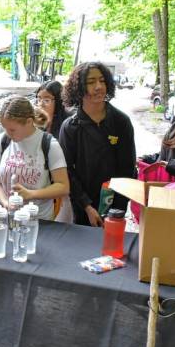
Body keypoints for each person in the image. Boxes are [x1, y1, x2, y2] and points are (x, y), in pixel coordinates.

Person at [59, 61, 136, 227]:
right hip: (82, 207)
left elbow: (128, 169)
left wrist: (116, 209)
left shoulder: (121, 122)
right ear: (78, 88)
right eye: (91, 82)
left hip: (115, 208)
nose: (98, 86)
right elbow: (67, 172)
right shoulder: (70, 127)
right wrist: (86, 206)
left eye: (102, 80)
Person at [0, 96, 70, 221]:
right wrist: (5, 202)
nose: (8, 134)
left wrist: (31, 194)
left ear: (29, 122)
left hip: (38, 220)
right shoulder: (1, 140)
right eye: (5, 128)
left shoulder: (49, 144)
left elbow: (63, 186)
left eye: (12, 130)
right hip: (7, 217)